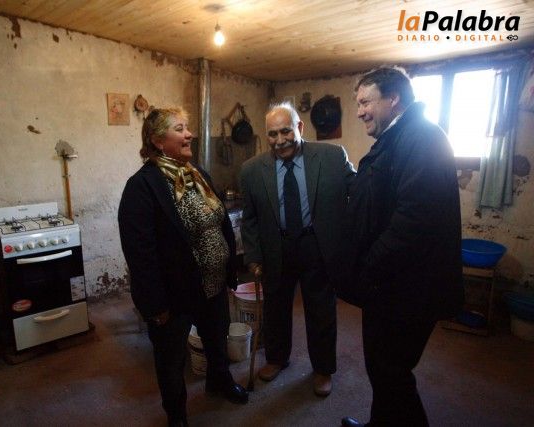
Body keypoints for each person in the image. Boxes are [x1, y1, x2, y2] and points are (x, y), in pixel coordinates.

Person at [339, 67, 464, 427]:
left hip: (408, 288)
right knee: (382, 367)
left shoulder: (421, 138)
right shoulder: (399, 137)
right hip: (391, 285)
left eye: (366, 102)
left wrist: (368, 264)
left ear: (393, 99)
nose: (360, 112)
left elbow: (413, 220)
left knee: (391, 371)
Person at [118, 107, 248, 427]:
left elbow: (220, 223)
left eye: (187, 127)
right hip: (175, 295)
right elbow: (140, 254)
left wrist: (228, 269)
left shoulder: (196, 173)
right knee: (171, 359)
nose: (189, 134)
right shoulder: (142, 186)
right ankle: (176, 415)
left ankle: (219, 381)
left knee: (216, 339)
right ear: (158, 141)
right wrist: (154, 305)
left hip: (213, 283)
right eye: (179, 129)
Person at [240, 102, 355, 396]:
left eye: (286, 131)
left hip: (315, 245)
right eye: (273, 134)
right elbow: (249, 219)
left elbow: (360, 194)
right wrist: (253, 256)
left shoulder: (332, 157)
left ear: (300, 127)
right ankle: (277, 358)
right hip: (275, 247)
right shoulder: (251, 170)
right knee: (275, 308)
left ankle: (323, 369)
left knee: (321, 310)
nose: (280, 140)